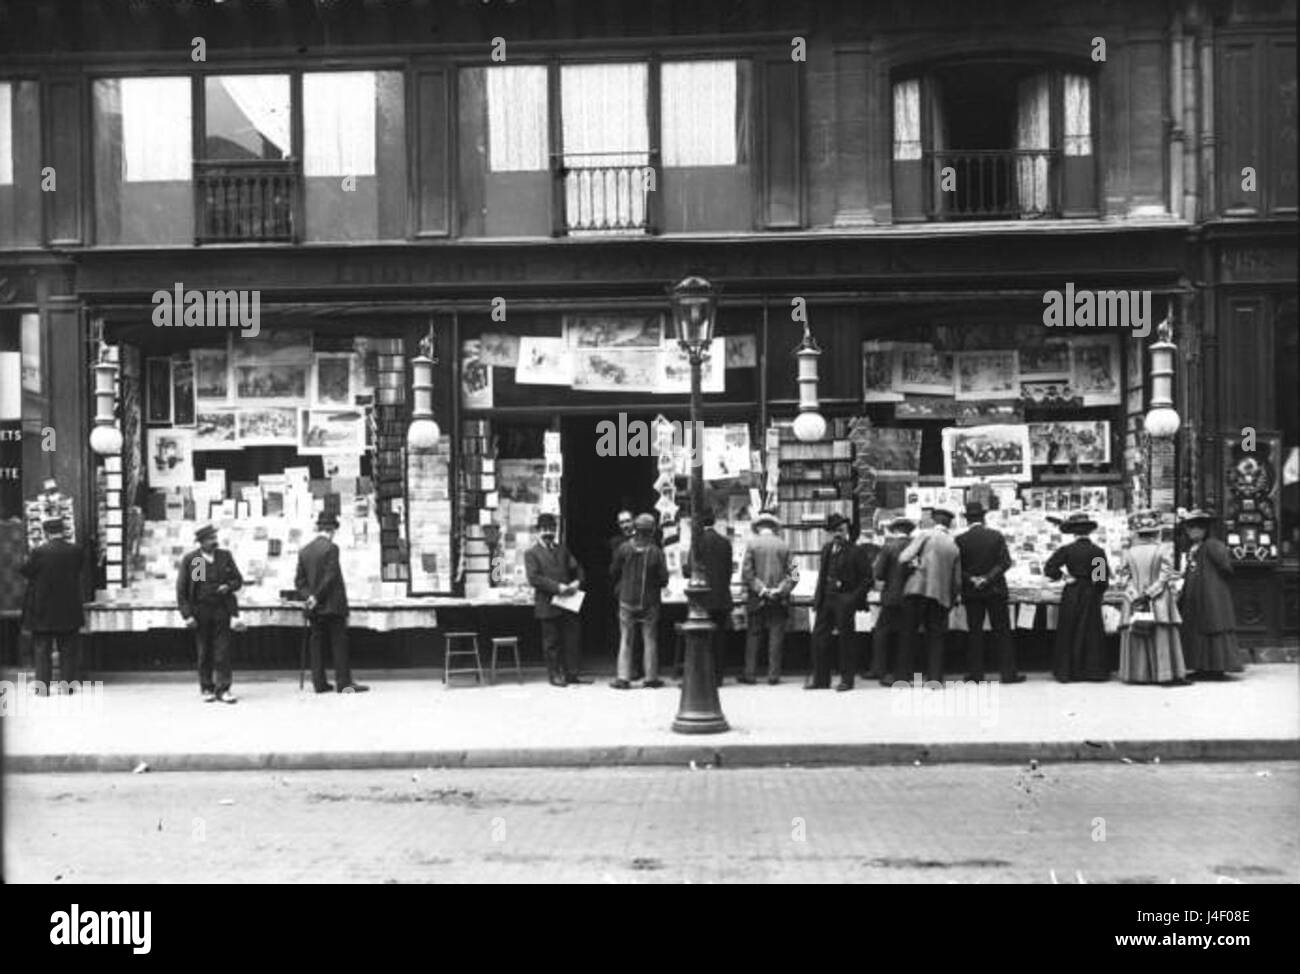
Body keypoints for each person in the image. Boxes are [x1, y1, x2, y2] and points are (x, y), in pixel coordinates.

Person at [296, 511, 369, 694]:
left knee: (316, 643)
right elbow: (330, 576)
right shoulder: (332, 548)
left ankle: (319, 683)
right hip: (332, 604)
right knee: (339, 643)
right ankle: (343, 683)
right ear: (331, 529)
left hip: (314, 607)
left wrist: (309, 597)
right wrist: (318, 596)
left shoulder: (304, 551)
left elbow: (299, 581)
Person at [955, 502, 1023, 684]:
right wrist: (988, 578)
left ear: (967, 519)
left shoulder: (960, 539)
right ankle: (1008, 674)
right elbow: (1005, 562)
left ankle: (975, 674)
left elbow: (957, 567)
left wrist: (972, 579)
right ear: (983, 518)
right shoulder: (996, 536)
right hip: (995, 590)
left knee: (974, 632)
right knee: (1002, 631)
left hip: (972, 592)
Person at [175, 523, 244, 703]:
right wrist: (187, 614)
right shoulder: (195, 560)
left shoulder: (224, 556)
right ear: (201, 542)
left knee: (223, 650)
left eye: (215, 538)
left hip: (222, 609)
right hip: (201, 610)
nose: (215, 542)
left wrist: (228, 586)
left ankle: (223, 688)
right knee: (204, 650)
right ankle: (207, 687)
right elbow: (183, 590)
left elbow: (238, 580)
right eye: (210, 539)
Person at [1117, 511, 1188, 685]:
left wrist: (1135, 596)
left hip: (1134, 598)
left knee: (1137, 634)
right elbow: (1165, 576)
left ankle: (1136, 674)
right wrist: (1150, 594)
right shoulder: (1163, 549)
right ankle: (1164, 673)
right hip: (1159, 598)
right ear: (1156, 532)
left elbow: (1122, 579)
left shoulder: (1127, 553)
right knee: (1161, 634)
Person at [20, 517, 85, 694]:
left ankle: (43, 688)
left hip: (43, 608)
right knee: (68, 649)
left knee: (42, 648)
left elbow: (26, 571)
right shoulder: (76, 551)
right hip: (69, 607)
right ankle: (68, 687)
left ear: (46, 532)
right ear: (63, 531)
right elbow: (79, 569)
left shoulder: (39, 551)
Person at [808, 512, 873, 691]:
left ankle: (847, 680)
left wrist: (852, 599)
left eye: (840, 530)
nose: (837, 534)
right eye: (833, 531)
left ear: (846, 531)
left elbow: (868, 579)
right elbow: (822, 575)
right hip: (825, 600)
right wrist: (818, 599)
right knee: (819, 639)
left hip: (844, 601)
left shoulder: (856, 551)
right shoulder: (827, 549)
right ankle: (821, 679)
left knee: (846, 641)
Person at [897, 506, 962, 683]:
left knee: (909, 634)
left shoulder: (925, 535)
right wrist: (951, 599)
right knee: (935, 638)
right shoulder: (953, 545)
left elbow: (903, 557)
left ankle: (904, 677)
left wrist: (914, 564)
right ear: (950, 524)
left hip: (917, 590)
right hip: (939, 596)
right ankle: (935, 678)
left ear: (934, 521)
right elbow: (957, 581)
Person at [524, 512, 589, 687]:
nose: (548, 533)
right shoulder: (531, 553)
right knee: (551, 643)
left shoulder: (562, 550)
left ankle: (571, 674)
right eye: (544, 529)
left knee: (571, 639)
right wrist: (558, 588)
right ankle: (554, 675)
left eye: (551, 529)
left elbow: (578, 568)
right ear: (538, 531)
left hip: (567, 603)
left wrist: (577, 581)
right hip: (547, 603)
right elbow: (534, 578)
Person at [1177, 509, 1243, 679]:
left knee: (1211, 627)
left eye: (1196, 528)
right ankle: (1203, 667)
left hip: (1211, 596)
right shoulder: (1195, 547)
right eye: (1190, 528)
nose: (1192, 531)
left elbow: (1226, 567)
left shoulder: (1212, 545)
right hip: (1198, 596)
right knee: (1200, 628)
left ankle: (1214, 668)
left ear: (1205, 530)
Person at [1044, 512, 1110, 682]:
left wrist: (1064, 577)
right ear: (1089, 532)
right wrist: (1097, 591)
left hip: (1072, 592)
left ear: (1073, 533)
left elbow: (1049, 568)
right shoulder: (1097, 551)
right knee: (1091, 631)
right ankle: (1092, 671)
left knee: (1069, 630)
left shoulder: (1067, 550)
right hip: (1090, 592)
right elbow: (1101, 579)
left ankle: (1068, 671)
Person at [610, 513, 668, 689]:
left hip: (626, 599)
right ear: (651, 532)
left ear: (635, 529)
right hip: (649, 601)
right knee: (649, 638)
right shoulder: (656, 552)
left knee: (626, 638)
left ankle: (623, 678)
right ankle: (650, 678)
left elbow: (614, 571)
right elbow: (664, 579)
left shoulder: (624, 548)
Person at [740, 510, 798, 684]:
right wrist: (780, 589)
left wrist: (762, 590)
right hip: (779, 600)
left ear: (758, 527)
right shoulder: (785, 546)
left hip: (757, 598)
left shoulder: (751, 545)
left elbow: (747, 573)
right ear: (775, 528)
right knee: (776, 636)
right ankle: (773, 675)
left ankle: (750, 673)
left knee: (753, 636)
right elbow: (794, 575)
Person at [683, 511, 733, 686]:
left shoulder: (697, 542)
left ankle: (702, 677)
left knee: (701, 639)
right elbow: (729, 571)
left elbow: (690, 568)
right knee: (719, 639)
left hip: (702, 599)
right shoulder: (725, 542)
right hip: (721, 597)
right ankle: (718, 677)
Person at [869, 517, 915, 685]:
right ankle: (904, 673)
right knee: (906, 634)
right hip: (911, 597)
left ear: (894, 530)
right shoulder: (917, 546)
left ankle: (880, 669)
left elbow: (879, 574)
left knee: (881, 633)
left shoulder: (888, 547)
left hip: (892, 597)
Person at [607, 510, 642, 678]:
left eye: (628, 521)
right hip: (624, 591)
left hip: (643, 591)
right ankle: (629, 669)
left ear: (634, 521)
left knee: (642, 632)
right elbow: (613, 569)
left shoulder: (645, 539)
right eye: (622, 523)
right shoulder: (616, 543)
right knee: (627, 632)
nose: (625, 525)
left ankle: (640, 667)